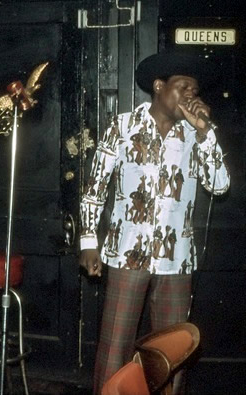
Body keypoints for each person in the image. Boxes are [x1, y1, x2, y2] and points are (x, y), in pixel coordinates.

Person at [79, 49, 230, 394]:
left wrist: (206, 133)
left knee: (172, 351)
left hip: (177, 259)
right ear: (159, 87)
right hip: (125, 254)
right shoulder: (122, 126)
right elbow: (94, 188)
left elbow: (220, 185)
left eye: (195, 89)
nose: (191, 95)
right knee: (115, 346)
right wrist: (89, 240)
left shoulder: (197, 135)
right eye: (184, 87)